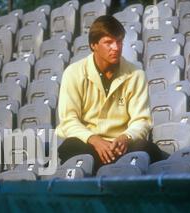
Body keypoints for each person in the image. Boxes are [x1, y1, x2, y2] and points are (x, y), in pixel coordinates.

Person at [56, 15, 162, 172]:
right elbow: (68, 121)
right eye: (108, 42)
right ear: (94, 45)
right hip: (88, 144)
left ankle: (113, 170)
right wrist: (94, 140)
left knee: (148, 149)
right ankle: (115, 171)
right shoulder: (73, 73)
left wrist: (125, 137)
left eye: (119, 41)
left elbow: (142, 120)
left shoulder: (136, 74)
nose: (116, 48)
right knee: (70, 147)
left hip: (121, 147)